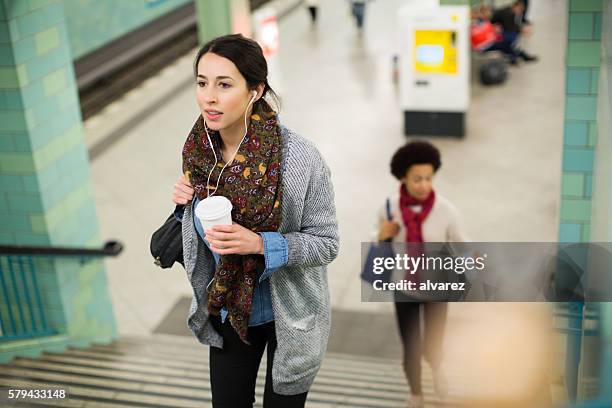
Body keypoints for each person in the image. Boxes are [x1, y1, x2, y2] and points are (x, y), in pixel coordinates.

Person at [171, 34, 339, 408]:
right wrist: (183, 206)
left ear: (255, 90)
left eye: (224, 84)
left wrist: (262, 243)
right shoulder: (199, 153)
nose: (208, 97)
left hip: (291, 315)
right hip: (230, 309)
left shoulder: (299, 158)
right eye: (202, 83)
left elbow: (327, 243)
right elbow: (200, 233)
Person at [376, 141, 468, 408]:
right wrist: (382, 235)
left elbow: (462, 246)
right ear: (403, 177)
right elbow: (377, 244)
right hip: (404, 287)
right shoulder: (389, 209)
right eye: (417, 178)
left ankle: (437, 367)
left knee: (433, 343)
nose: (424, 184)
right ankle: (416, 393)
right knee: (411, 346)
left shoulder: (446, 211)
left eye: (428, 178)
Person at [484, 0, 538, 65]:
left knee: (509, 44)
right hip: (493, 35)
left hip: (496, 33)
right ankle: (517, 57)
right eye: (519, 9)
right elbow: (509, 27)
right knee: (510, 39)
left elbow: (511, 26)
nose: (520, 12)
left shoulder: (510, 12)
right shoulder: (507, 13)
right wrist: (521, 31)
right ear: (515, 6)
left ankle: (517, 57)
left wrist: (520, 30)